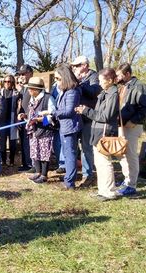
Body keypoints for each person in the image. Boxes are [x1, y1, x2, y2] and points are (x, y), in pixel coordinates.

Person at [75, 68, 119, 201]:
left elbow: (105, 116)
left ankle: (109, 192)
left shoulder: (113, 94)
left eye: (101, 81)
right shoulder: (104, 92)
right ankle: (102, 190)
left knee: (105, 163)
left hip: (105, 132)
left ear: (110, 80)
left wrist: (86, 111)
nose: (99, 83)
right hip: (97, 131)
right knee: (99, 163)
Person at [45, 64, 82, 190]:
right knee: (67, 154)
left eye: (58, 78)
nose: (56, 81)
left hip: (70, 127)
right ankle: (68, 179)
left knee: (70, 154)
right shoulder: (65, 91)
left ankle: (69, 182)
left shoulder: (72, 91)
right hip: (64, 126)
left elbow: (69, 111)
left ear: (65, 77)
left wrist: (51, 113)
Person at [115, 63, 146, 196]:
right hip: (121, 125)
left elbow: (144, 107)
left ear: (127, 74)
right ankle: (127, 180)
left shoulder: (138, 86)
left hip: (132, 126)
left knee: (131, 155)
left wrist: (134, 121)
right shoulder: (123, 87)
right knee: (122, 154)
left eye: (119, 75)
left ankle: (131, 185)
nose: (117, 77)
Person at [71, 55, 102, 186]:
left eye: (77, 65)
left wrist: (79, 83)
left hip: (88, 118)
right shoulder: (76, 77)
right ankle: (73, 173)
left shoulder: (94, 76)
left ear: (84, 65)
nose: (75, 68)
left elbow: (93, 92)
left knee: (86, 148)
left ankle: (88, 175)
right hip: (75, 117)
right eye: (74, 66)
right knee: (72, 147)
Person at [20, 77, 56, 184]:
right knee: (35, 151)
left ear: (37, 89)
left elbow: (52, 118)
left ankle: (44, 175)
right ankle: (38, 172)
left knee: (44, 153)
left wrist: (38, 120)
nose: (29, 91)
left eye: (31, 89)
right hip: (34, 131)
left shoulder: (48, 98)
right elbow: (31, 114)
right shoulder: (32, 99)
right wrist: (25, 116)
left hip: (45, 130)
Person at [16, 64, 34, 172]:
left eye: (24, 73)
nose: (21, 76)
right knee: (23, 142)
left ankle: (32, 164)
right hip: (22, 119)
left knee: (30, 143)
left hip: (31, 119)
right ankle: (25, 163)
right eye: (20, 74)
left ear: (30, 73)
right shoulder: (22, 88)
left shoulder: (34, 85)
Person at [1, 74, 19, 166]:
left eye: (10, 81)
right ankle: (3, 160)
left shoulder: (16, 93)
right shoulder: (0, 93)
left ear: (13, 83)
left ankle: (11, 160)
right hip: (3, 121)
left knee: (12, 143)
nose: (7, 83)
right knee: (2, 142)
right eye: (6, 81)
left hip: (12, 121)